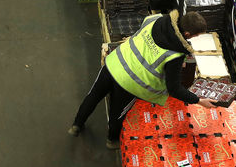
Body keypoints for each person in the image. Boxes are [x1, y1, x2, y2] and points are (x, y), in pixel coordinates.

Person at [69, 10, 217, 149]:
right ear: (187, 34)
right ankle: (112, 141)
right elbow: (174, 88)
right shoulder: (175, 55)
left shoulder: (155, 19)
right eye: (196, 36)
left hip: (115, 62)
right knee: (117, 113)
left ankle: (76, 125)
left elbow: (143, 38)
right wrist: (198, 101)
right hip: (130, 82)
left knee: (93, 96)